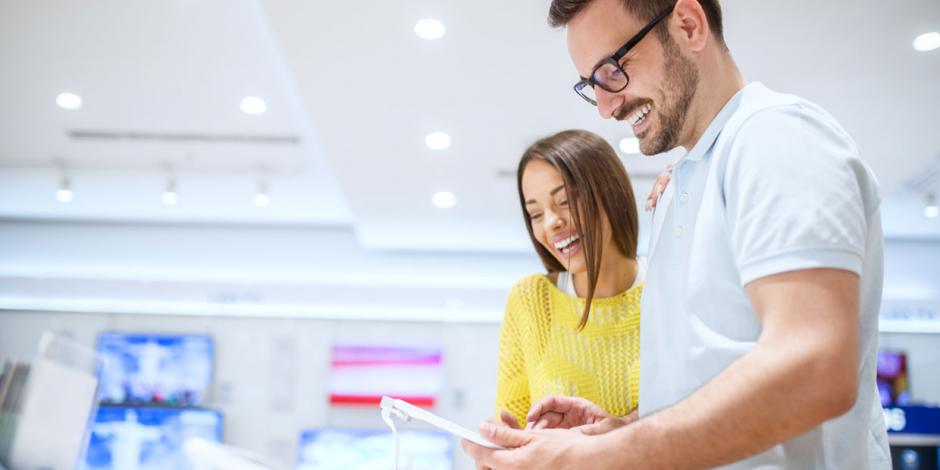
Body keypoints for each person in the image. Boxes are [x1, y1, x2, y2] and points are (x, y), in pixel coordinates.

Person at [463, 0, 890, 468]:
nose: (605, 106)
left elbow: (814, 370)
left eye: (613, 70)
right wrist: (620, 427)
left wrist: (602, 456)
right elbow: (712, 376)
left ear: (687, 25)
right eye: (592, 85)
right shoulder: (680, 185)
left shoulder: (777, 137)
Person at [492, 129, 644, 438]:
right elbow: (515, 423)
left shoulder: (671, 282)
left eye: (564, 200)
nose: (551, 223)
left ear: (610, 193)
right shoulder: (531, 301)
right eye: (535, 213)